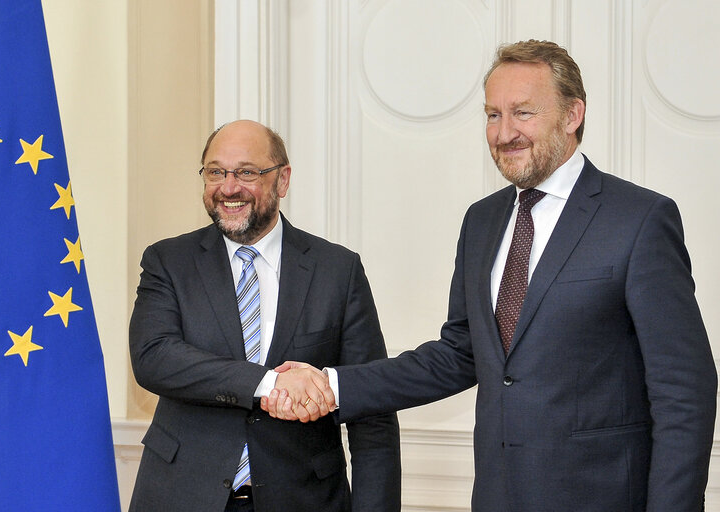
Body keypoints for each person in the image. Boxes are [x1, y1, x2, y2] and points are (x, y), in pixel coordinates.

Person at [261, 40, 717, 511]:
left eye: (523, 113)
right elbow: (460, 354)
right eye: (492, 115)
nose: (504, 133)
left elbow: (685, 390)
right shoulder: (482, 221)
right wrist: (332, 386)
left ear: (572, 114)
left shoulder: (640, 220)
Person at [128, 119, 401, 512]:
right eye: (215, 172)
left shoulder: (337, 270)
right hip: (183, 494)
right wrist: (267, 383)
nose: (229, 187)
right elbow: (154, 357)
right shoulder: (167, 261)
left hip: (304, 500)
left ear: (282, 180)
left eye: (247, 172)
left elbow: (371, 406)